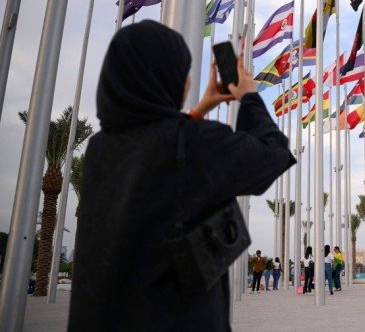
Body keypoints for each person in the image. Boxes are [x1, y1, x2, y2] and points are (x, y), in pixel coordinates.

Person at [68, 21, 294, 330]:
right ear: (169, 78)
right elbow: (273, 154)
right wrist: (249, 96)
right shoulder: (193, 144)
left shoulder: (99, 149)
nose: (187, 80)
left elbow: (159, 152)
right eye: (183, 71)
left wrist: (199, 110)